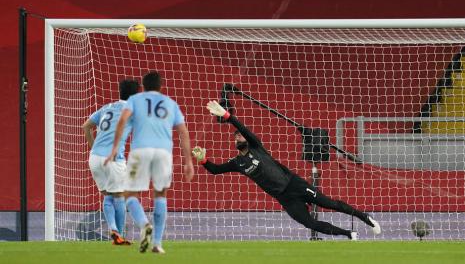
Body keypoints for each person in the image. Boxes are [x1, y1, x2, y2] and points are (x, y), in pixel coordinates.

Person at [192, 100, 381, 240]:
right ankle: (348, 234)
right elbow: (215, 170)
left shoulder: (257, 147)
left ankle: (366, 218)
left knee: (329, 203)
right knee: (309, 223)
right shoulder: (237, 162)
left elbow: (243, 128)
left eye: (239, 136)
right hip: (285, 198)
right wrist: (203, 160)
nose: (238, 138)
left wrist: (227, 116)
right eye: (235, 138)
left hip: (294, 184)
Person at [105, 71, 194, 254]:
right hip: (163, 152)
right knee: (160, 195)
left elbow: (122, 120)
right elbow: (183, 132)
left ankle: (144, 224)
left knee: (129, 194)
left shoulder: (135, 100)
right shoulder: (170, 103)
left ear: (143, 87)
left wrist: (114, 148)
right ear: (161, 86)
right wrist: (188, 162)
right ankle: (157, 244)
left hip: (140, 150)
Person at [82, 79, 139, 245]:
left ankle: (114, 230)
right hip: (113, 159)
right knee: (120, 195)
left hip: (94, 158)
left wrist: (94, 148)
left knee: (108, 195)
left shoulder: (106, 107)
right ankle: (119, 235)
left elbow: (86, 126)